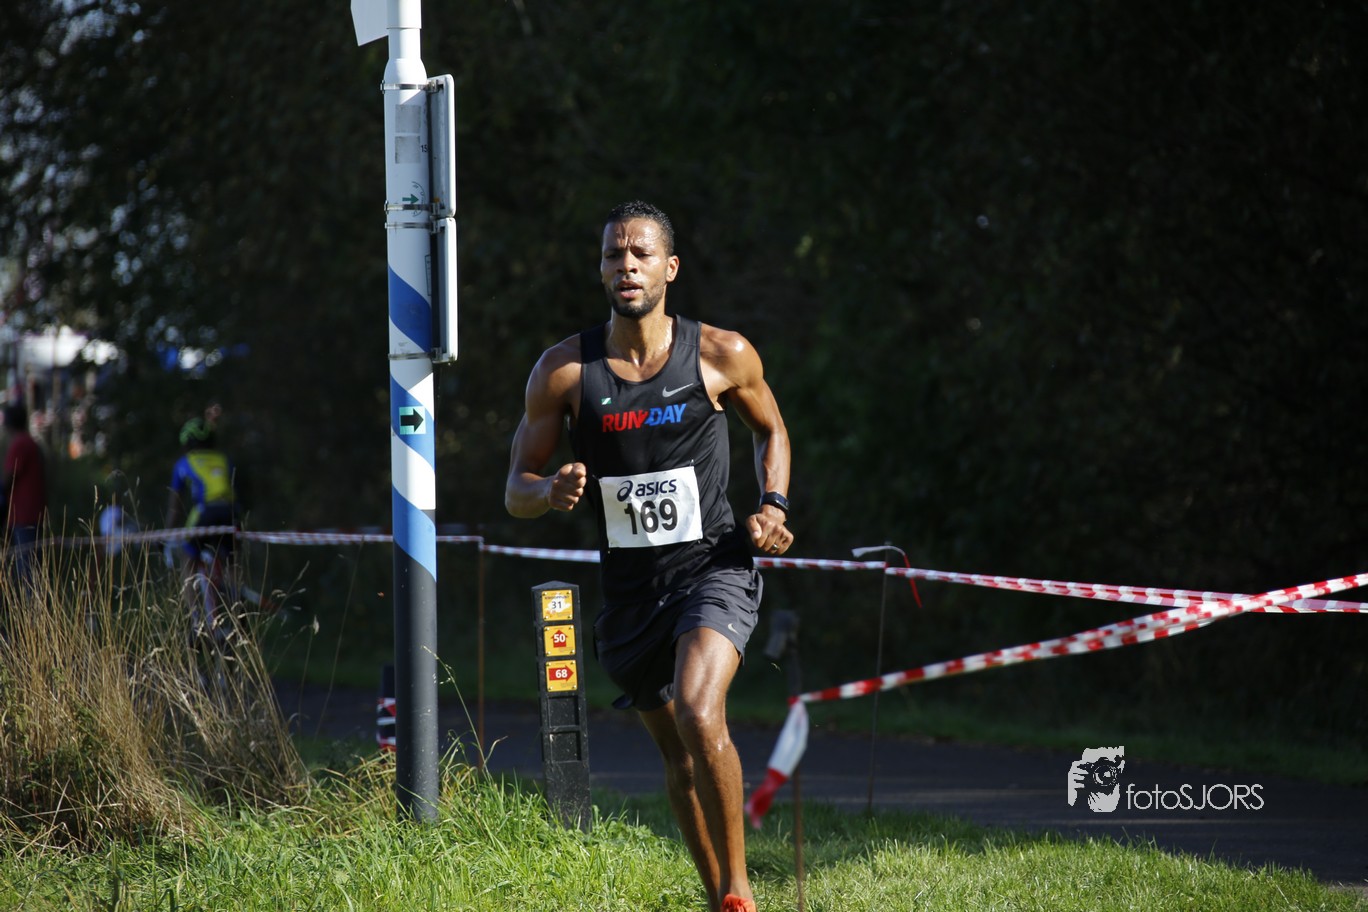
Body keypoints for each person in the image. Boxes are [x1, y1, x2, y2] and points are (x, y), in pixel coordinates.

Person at [505, 200, 792, 912]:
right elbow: (515, 489)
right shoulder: (563, 372)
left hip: (714, 568)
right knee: (678, 759)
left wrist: (773, 505)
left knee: (699, 710)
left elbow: (771, 430)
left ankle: (741, 889)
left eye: (640, 254)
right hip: (632, 593)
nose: (625, 266)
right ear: (600, 269)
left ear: (670, 268)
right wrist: (549, 491)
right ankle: (716, 897)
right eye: (613, 254)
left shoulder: (722, 353)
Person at [166, 412, 238, 632]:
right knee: (232, 562)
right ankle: (238, 612)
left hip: (205, 512)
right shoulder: (224, 459)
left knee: (188, 559)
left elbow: (175, 505)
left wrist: (167, 533)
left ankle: (195, 618)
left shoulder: (184, 463)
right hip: (230, 513)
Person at [2, 402, 47, 589]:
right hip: (30, 512)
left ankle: (31, 606)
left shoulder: (20, 444)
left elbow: (9, 477)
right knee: (28, 567)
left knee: (27, 569)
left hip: (23, 514)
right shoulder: (30, 443)